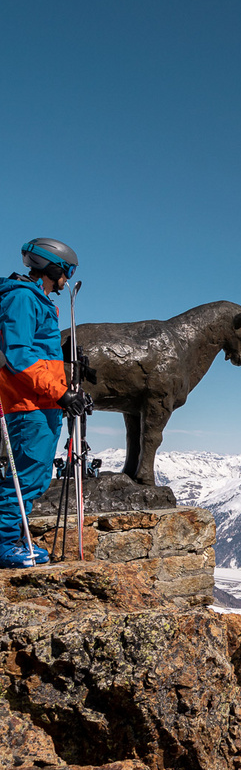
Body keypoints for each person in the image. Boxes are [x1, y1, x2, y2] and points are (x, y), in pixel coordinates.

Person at [0, 238, 87, 567]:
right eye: (68, 270)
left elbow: (40, 356)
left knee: (34, 478)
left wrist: (68, 382)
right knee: (25, 477)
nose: (67, 278)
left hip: (43, 404)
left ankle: (14, 538)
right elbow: (19, 357)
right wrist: (61, 393)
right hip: (28, 406)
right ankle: (5, 544)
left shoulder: (40, 300)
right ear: (53, 267)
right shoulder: (22, 298)